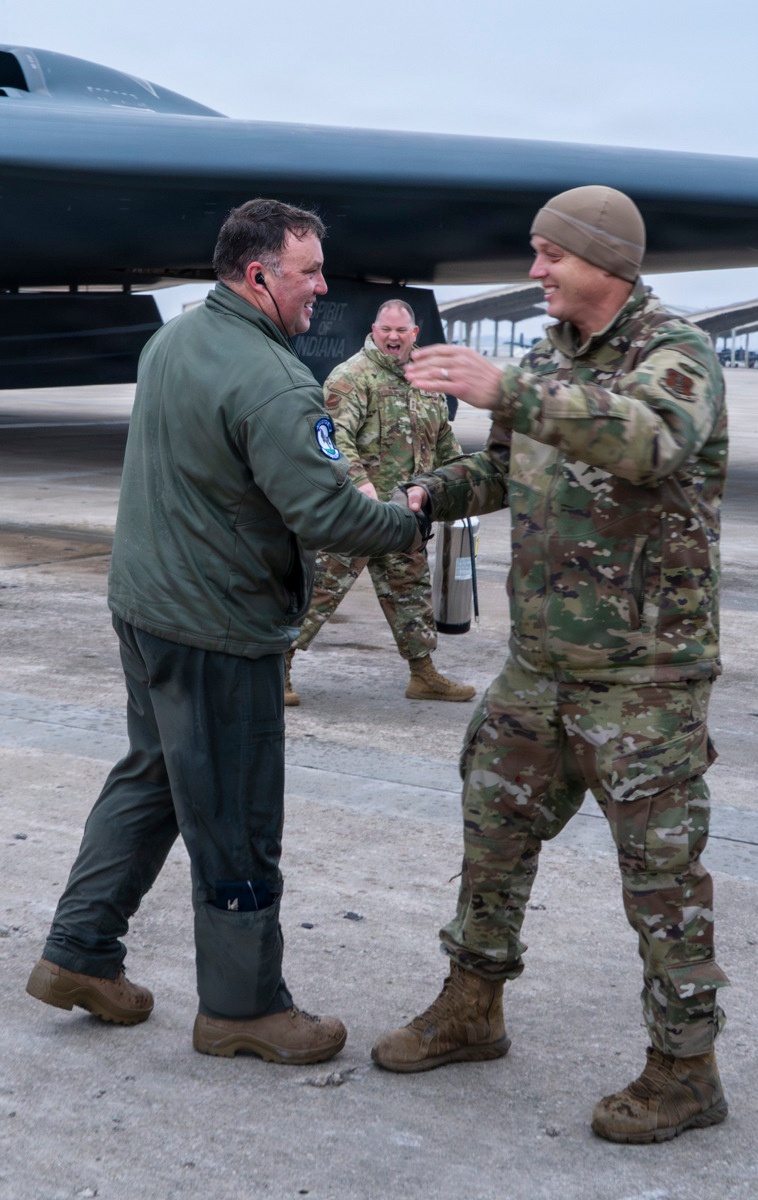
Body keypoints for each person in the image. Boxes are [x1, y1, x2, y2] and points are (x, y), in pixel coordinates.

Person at [25, 198, 428, 1066]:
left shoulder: (169, 341)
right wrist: (409, 517)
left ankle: (79, 954)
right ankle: (243, 1008)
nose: (323, 286)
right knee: (238, 816)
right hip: (216, 628)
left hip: (145, 609)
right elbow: (324, 511)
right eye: (309, 270)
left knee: (157, 778)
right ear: (258, 276)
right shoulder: (276, 380)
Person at [371, 186, 730, 1144]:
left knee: (660, 877)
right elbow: (502, 466)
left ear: (603, 262)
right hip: (540, 666)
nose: (535, 272)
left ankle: (686, 1069)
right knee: (493, 829)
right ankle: (471, 1007)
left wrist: (507, 390)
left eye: (549, 255)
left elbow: (653, 443)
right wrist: (427, 491)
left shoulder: (675, 352)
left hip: (644, 674)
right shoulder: (545, 359)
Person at [285, 299, 475, 705]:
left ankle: (423, 675)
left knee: (411, 592)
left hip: (405, 514)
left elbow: (445, 443)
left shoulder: (427, 381)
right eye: (385, 330)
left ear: (414, 334)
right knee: (319, 591)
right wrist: (361, 485)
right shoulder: (352, 377)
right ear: (373, 330)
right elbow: (333, 438)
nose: (392, 337)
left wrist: (462, 488)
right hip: (353, 513)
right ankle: (276, 669)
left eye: (400, 331)